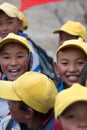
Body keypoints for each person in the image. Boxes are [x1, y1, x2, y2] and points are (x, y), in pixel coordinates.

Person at [0, 2, 58, 87]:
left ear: (20, 24)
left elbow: (35, 80)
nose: (4, 28)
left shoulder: (28, 47)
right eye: (0, 24)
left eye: (9, 22)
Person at [0, 32, 31, 121]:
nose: (13, 63)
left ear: (30, 59)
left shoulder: (38, 90)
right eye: (6, 57)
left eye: (20, 56)